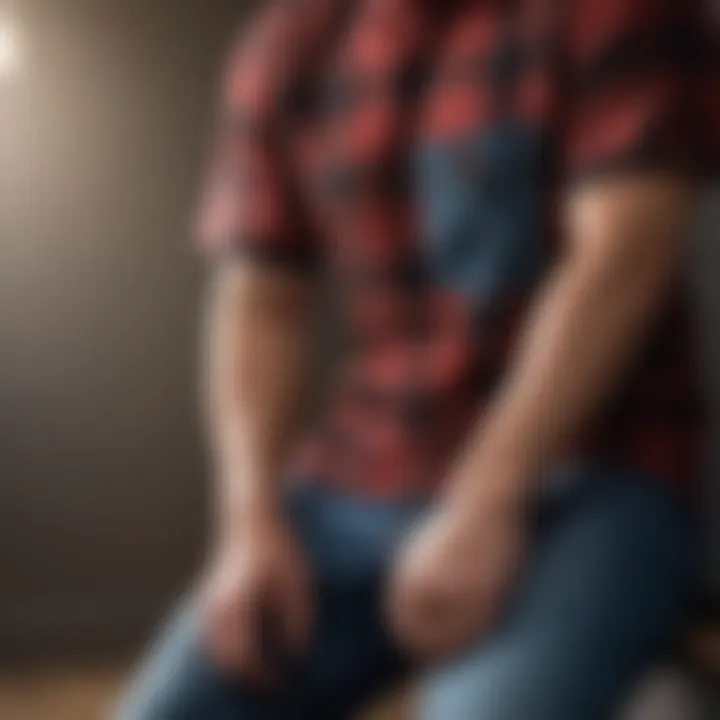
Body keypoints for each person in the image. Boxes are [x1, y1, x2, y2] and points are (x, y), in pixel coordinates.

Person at [119, 0, 718, 718]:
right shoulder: (290, 43)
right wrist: (248, 523)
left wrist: (486, 500)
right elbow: (260, 303)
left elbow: (623, 255)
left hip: (589, 477)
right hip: (357, 483)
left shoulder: (613, 14)